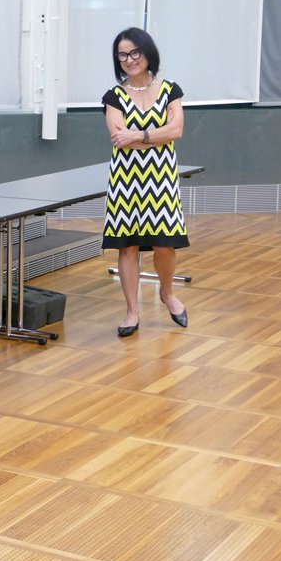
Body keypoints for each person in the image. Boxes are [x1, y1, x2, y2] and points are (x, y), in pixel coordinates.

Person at [101, 27, 189, 338]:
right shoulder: (114, 96)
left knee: (165, 244)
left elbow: (176, 131)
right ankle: (132, 311)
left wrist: (138, 135)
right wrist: (155, 133)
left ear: (148, 53)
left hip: (161, 179)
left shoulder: (170, 90)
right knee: (128, 246)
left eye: (134, 52)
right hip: (125, 181)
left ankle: (167, 294)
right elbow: (118, 138)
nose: (129, 59)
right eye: (123, 55)